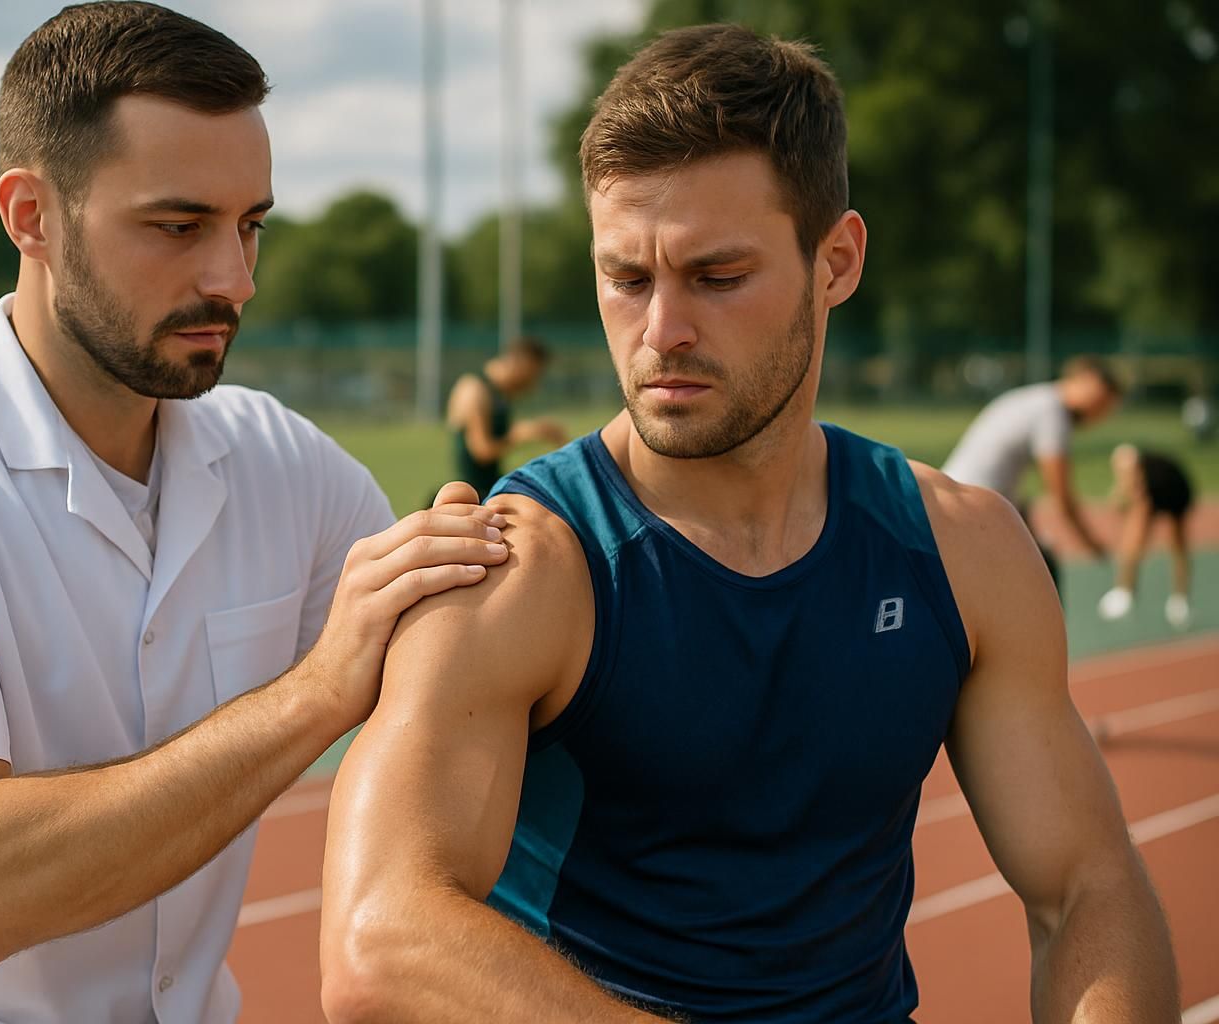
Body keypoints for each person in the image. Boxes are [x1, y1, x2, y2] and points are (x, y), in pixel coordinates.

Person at [318, 24, 1178, 1023]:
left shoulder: (960, 548)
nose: (660, 333)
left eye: (718, 278)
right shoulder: (523, 565)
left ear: (837, 261)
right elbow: (380, 941)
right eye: (626, 280)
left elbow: (1088, 888)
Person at [0, 6, 509, 1023]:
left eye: (251, 225)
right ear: (31, 216)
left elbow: (459, 656)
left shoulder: (284, 464)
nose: (235, 278)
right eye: (179, 226)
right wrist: (316, 688)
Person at [942, 355, 1124, 584]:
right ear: (1086, 380)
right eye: (1103, 402)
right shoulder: (1053, 413)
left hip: (965, 500)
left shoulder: (1039, 400)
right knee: (1039, 575)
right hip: (971, 509)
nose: (1099, 415)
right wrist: (1092, 544)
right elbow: (1062, 497)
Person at [445, 335, 568, 500]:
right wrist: (521, 435)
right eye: (533, 375)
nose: (533, 385)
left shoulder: (499, 392)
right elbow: (481, 450)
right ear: (521, 364)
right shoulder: (476, 390)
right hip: (472, 493)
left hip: (491, 484)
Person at [1097, 444, 1197, 629]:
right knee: (1133, 540)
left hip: (1176, 491)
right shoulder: (1133, 469)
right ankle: (1124, 591)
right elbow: (1122, 496)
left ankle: (1179, 599)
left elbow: (1126, 496)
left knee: (1178, 545)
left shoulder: (1140, 472)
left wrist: (1120, 500)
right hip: (1152, 493)